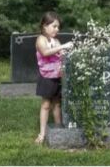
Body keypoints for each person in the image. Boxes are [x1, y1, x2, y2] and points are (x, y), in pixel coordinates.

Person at [34, 11, 73, 144]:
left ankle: (59, 130)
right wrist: (63, 46)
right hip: (46, 78)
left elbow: (60, 54)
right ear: (45, 26)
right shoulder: (41, 39)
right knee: (46, 104)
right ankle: (42, 134)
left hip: (57, 77)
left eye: (58, 27)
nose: (57, 29)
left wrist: (66, 52)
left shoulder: (56, 41)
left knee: (57, 104)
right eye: (54, 26)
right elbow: (45, 52)